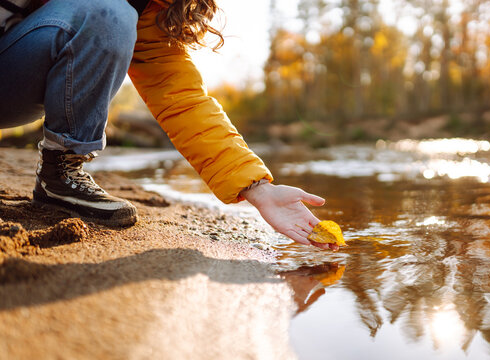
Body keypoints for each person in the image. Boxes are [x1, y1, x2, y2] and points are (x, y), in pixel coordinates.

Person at [0, 0, 338, 250]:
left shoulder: (149, 11)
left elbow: (184, 100)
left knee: (111, 16)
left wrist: (260, 190)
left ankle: (60, 174)